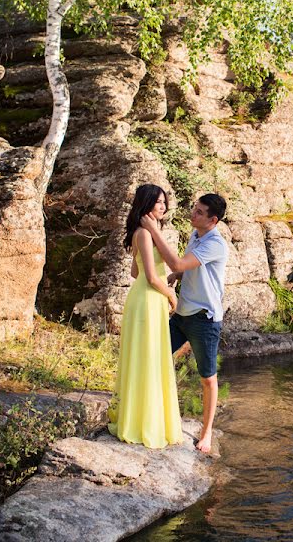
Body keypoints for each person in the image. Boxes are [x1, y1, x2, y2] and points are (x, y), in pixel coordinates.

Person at [141, 193, 228, 454]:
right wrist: (178, 275)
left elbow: (179, 260)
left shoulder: (216, 243)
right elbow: (187, 266)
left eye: (200, 212)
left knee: (207, 379)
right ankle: (156, 412)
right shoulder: (196, 235)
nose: (193, 213)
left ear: (213, 220)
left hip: (204, 319)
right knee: (153, 357)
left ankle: (207, 432)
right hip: (181, 315)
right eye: (194, 208)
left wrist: (154, 231)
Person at [108, 184, 184, 449]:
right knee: (148, 358)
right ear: (146, 204)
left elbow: (134, 273)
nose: (162, 207)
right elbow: (150, 277)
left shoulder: (146, 232)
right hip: (149, 300)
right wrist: (171, 296)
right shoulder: (145, 233)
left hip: (144, 299)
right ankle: (144, 423)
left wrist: (162, 287)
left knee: (146, 357)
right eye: (158, 202)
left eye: (164, 202)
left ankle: (143, 418)